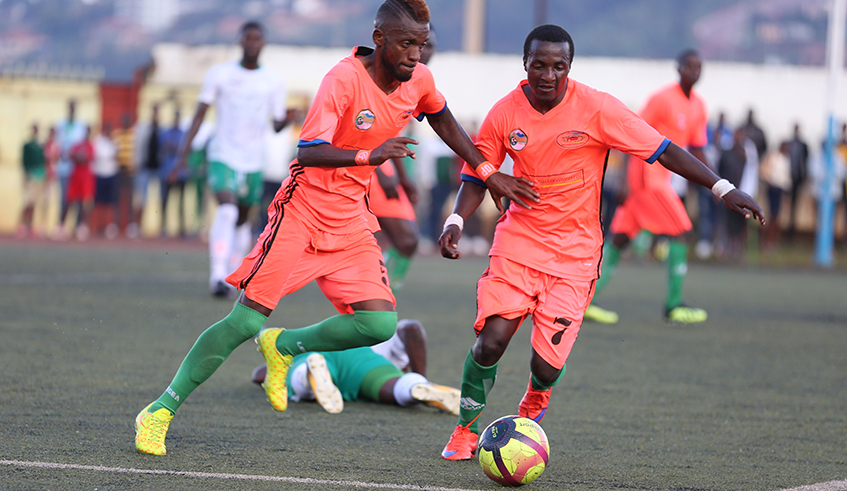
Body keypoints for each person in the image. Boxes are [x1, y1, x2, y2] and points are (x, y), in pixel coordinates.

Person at [134, 2, 535, 456]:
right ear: (379, 38)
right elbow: (307, 152)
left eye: (421, 45)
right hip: (302, 211)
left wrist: (486, 169)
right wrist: (369, 155)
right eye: (406, 44)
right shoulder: (342, 80)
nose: (415, 55)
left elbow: (441, 117)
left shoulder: (418, 77)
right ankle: (159, 411)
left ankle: (283, 346)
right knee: (244, 320)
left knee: (378, 322)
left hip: (351, 218)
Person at [436, 25, 764, 461]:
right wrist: (457, 218)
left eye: (559, 66)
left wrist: (722, 187)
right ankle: (464, 430)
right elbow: (478, 172)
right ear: (524, 64)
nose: (548, 75)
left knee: (545, 366)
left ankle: (535, 399)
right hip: (518, 243)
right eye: (539, 65)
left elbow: (663, 149)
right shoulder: (504, 113)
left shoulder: (597, 108)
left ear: (569, 67)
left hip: (575, 254)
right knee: (491, 341)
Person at [584, 49, 713, 326]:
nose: (695, 71)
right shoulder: (662, 99)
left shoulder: (699, 106)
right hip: (646, 177)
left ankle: (583, 303)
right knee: (681, 232)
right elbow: (632, 131)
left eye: (699, 66)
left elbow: (699, 149)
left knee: (619, 240)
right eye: (690, 66)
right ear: (678, 68)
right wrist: (623, 179)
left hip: (660, 179)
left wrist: (718, 183)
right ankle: (673, 306)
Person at [169, 22, 293, 297]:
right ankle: (217, 275)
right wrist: (182, 157)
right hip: (222, 155)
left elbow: (275, 125)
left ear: (263, 44)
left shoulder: (274, 80)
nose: (252, 43)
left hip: (253, 160)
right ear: (240, 42)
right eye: (248, 38)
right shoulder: (220, 74)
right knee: (227, 210)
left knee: (242, 220)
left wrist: (288, 119)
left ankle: (236, 271)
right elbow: (200, 114)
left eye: (257, 39)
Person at [250, 319, 460, 415]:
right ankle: (416, 386)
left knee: (299, 380)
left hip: (316, 351)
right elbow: (412, 328)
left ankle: (309, 374)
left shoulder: (297, 344)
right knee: (397, 387)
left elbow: (258, 375)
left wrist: (269, 369)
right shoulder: (382, 341)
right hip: (363, 357)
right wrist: (418, 375)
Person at [367, 26, 437, 290]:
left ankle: (383, 283)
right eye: (420, 44)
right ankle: (380, 284)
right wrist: (380, 173)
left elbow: (393, 136)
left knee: (405, 240)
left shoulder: (419, 82)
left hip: (389, 166)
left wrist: (405, 178)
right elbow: (367, 131)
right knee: (406, 239)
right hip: (371, 166)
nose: (423, 52)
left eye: (428, 46)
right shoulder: (385, 77)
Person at [53, 100, 87, 239]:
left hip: (77, 169)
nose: (72, 110)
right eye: (70, 107)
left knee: (79, 199)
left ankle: (79, 226)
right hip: (64, 168)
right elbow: (57, 146)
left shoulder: (81, 126)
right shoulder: (60, 125)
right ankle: (61, 226)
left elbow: (83, 147)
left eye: (74, 107)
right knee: (64, 199)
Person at [128, 104, 162, 239]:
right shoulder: (143, 128)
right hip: (144, 168)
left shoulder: (161, 129)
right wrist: (134, 162)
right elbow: (137, 146)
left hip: (158, 169)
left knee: (161, 198)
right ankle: (136, 225)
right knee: (140, 198)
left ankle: (160, 227)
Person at [58, 126, 95, 241]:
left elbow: (85, 159)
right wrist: (77, 157)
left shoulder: (90, 146)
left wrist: (78, 157)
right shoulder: (77, 145)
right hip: (75, 177)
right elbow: (70, 156)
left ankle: (81, 227)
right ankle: (62, 227)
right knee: (69, 202)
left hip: (86, 178)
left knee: (84, 204)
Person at [159, 108, 187, 238]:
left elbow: (185, 149)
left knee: (180, 202)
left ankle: (181, 229)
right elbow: (166, 147)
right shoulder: (166, 132)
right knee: (165, 201)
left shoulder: (183, 133)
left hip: (180, 173)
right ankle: (163, 228)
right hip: (168, 171)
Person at [17, 123, 47, 238]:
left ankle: (30, 225)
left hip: (39, 176)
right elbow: (24, 161)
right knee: (28, 201)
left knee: (35, 202)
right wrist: (26, 175)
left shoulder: (40, 145)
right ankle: (22, 224)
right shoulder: (27, 145)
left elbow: (43, 161)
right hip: (30, 176)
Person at [91, 122, 120, 239]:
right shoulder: (97, 141)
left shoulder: (113, 142)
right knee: (98, 202)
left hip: (111, 174)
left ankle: (109, 225)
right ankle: (98, 225)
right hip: (99, 174)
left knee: (110, 202)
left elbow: (116, 156)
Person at [785, 123, 809, 241]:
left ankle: (792, 230)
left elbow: (805, 161)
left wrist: (803, 178)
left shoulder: (803, 145)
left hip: (797, 179)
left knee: (794, 205)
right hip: (786, 179)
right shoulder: (789, 144)